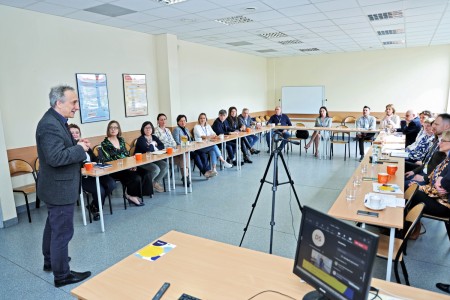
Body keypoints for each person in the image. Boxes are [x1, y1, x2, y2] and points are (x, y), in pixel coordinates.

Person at [36, 85, 91, 287]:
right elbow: (56, 157)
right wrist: (79, 149)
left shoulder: (57, 121)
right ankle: (62, 276)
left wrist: (76, 144)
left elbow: (60, 148)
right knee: (62, 232)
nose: (77, 106)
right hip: (59, 188)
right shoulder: (49, 125)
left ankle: (51, 261)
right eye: (73, 102)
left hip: (55, 186)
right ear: (59, 103)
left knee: (53, 226)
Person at [407, 129, 450, 239]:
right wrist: (419, 185)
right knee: (410, 188)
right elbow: (433, 179)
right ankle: (405, 227)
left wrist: (420, 187)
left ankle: (406, 229)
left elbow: (441, 188)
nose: (439, 143)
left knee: (411, 192)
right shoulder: (445, 159)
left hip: (444, 205)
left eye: (443, 141)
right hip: (435, 195)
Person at [68, 124, 116, 221]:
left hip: (95, 173)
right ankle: (97, 209)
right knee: (100, 190)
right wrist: (87, 164)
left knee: (111, 184)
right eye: (72, 133)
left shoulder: (85, 145)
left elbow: (94, 158)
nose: (75, 134)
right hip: (83, 177)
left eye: (77, 132)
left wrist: (98, 159)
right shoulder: (69, 149)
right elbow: (74, 164)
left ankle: (93, 206)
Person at [101, 120, 150, 205]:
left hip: (126, 166)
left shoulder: (121, 140)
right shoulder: (105, 143)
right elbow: (108, 160)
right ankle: (130, 195)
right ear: (108, 130)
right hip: (115, 170)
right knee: (136, 177)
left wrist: (132, 165)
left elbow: (127, 155)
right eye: (111, 127)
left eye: (115, 127)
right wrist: (127, 166)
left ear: (118, 129)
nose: (113, 129)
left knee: (145, 173)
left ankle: (137, 193)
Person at [405, 114, 450, 185]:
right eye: (434, 123)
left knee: (402, 184)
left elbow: (442, 173)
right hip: (422, 172)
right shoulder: (436, 140)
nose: (433, 126)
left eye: (437, 124)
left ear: (447, 127)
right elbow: (426, 163)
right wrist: (413, 171)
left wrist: (424, 178)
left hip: (429, 181)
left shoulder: (446, 146)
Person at [172, 114, 215, 180]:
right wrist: (187, 144)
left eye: (184, 121)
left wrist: (192, 143)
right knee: (196, 156)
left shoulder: (186, 129)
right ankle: (205, 173)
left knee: (203, 154)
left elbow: (191, 139)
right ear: (178, 122)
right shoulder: (176, 130)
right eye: (181, 121)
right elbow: (176, 142)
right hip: (184, 150)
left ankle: (208, 171)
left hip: (191, 147)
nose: (183, 122)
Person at [134, 121, 168, 193]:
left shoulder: (154, 137)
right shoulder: (141, 139)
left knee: (165, 165)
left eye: (149, 128)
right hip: (141, 161)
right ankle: (145, 184)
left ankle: (154, 183)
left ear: (152, 129)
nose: (148, 129)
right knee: (156, 169)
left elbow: (162, 145)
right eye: (146, 128)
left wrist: (154, 145)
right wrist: (153, 144)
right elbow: (148, 150)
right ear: (143, 129)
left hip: (153, 159)